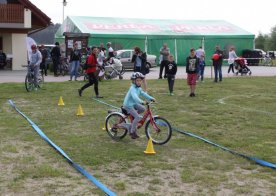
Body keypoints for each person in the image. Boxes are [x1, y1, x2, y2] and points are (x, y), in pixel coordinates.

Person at [123, 72, 155, 139]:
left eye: (140, 80)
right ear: (134, 81)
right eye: (137, 80)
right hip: (128, 105)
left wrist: (151, 98)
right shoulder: (132, 88)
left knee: (143, 109)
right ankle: (132, 132)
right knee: (137, 117)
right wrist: (142, 102)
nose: (139, 82)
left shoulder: (139, 88)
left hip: (133, 103)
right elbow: (135, 97)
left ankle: (133, 117)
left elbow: (143, 94)